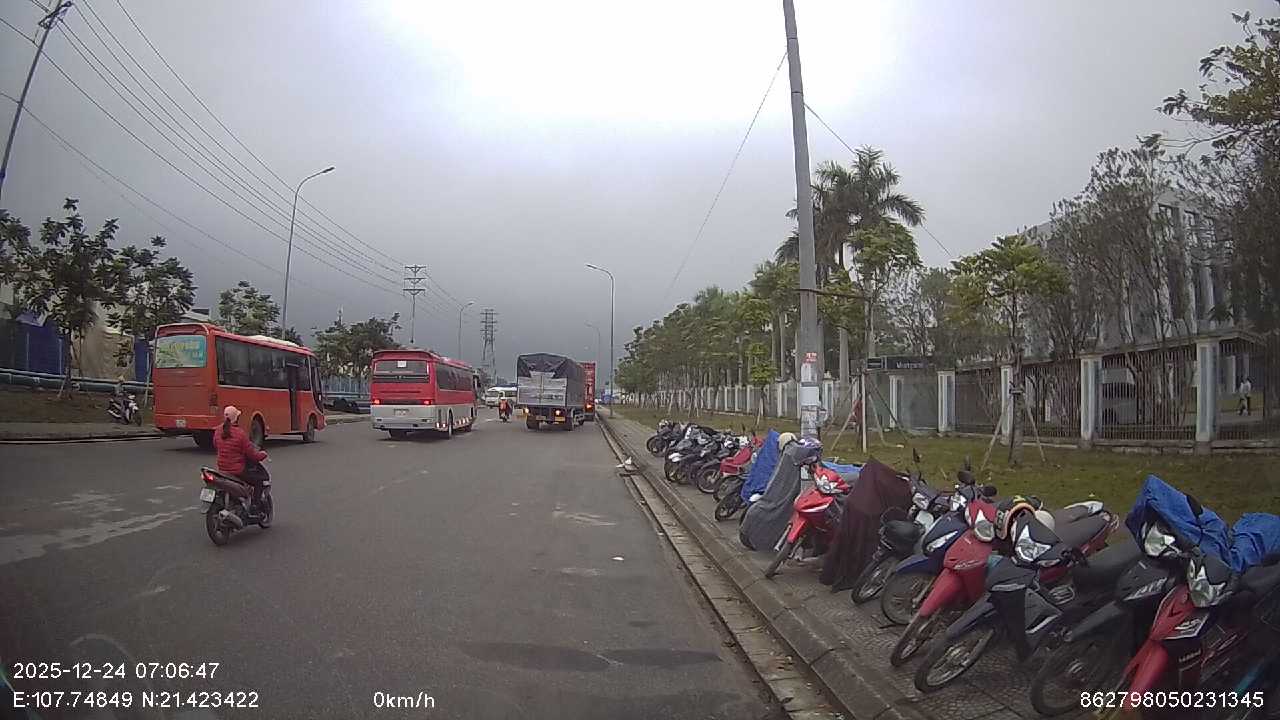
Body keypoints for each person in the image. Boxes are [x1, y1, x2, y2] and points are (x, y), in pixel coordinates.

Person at [213, 406, 269, 511]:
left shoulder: (218, 431)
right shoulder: (240, 434)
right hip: (237, 471)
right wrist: (263, 454)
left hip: (222, 469)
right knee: (259, 480)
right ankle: (255, 507)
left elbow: (216, 446)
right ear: (237, 418)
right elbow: (253, 455)